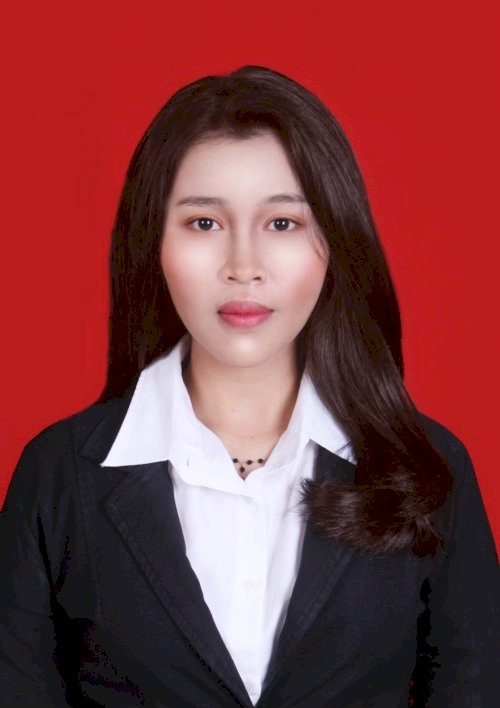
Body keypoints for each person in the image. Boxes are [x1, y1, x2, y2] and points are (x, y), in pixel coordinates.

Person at [0, 66, 498, 708]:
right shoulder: (58, 476)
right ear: (153, 244)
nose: (243, 267)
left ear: (334, 244)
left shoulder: (429, 468)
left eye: (282, 223)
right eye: (203, 223)